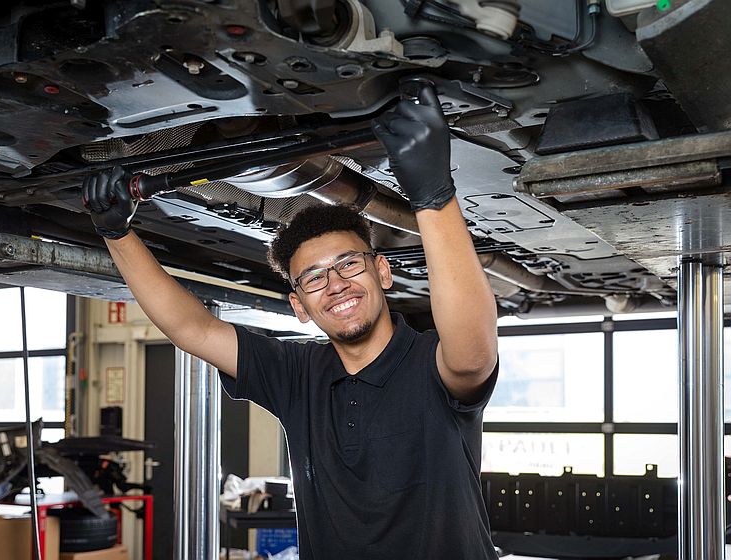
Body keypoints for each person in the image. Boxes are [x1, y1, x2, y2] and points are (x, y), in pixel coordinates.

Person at [82, 83, 499, 559]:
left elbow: (473, 353)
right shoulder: (297, 374)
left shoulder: (432, 363)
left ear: (382, 271)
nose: (336, 284)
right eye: (315, 278)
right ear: (299, 305)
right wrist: (116, 232)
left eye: (349, 263)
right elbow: (192, 329)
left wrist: (433, 195)